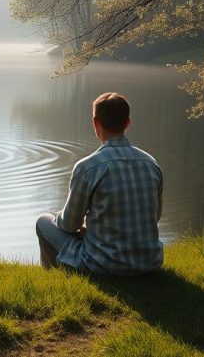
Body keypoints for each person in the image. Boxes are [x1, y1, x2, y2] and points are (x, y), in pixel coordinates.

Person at [35, 92, 163, 275]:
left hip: (104, 266)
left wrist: (68, 220)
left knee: (43, 221)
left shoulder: (88, 167)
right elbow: (154, 217)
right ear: (127, 123)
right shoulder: (151, 163)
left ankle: (52, 277)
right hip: (150, 264)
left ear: (96, 123)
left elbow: (69, 224)